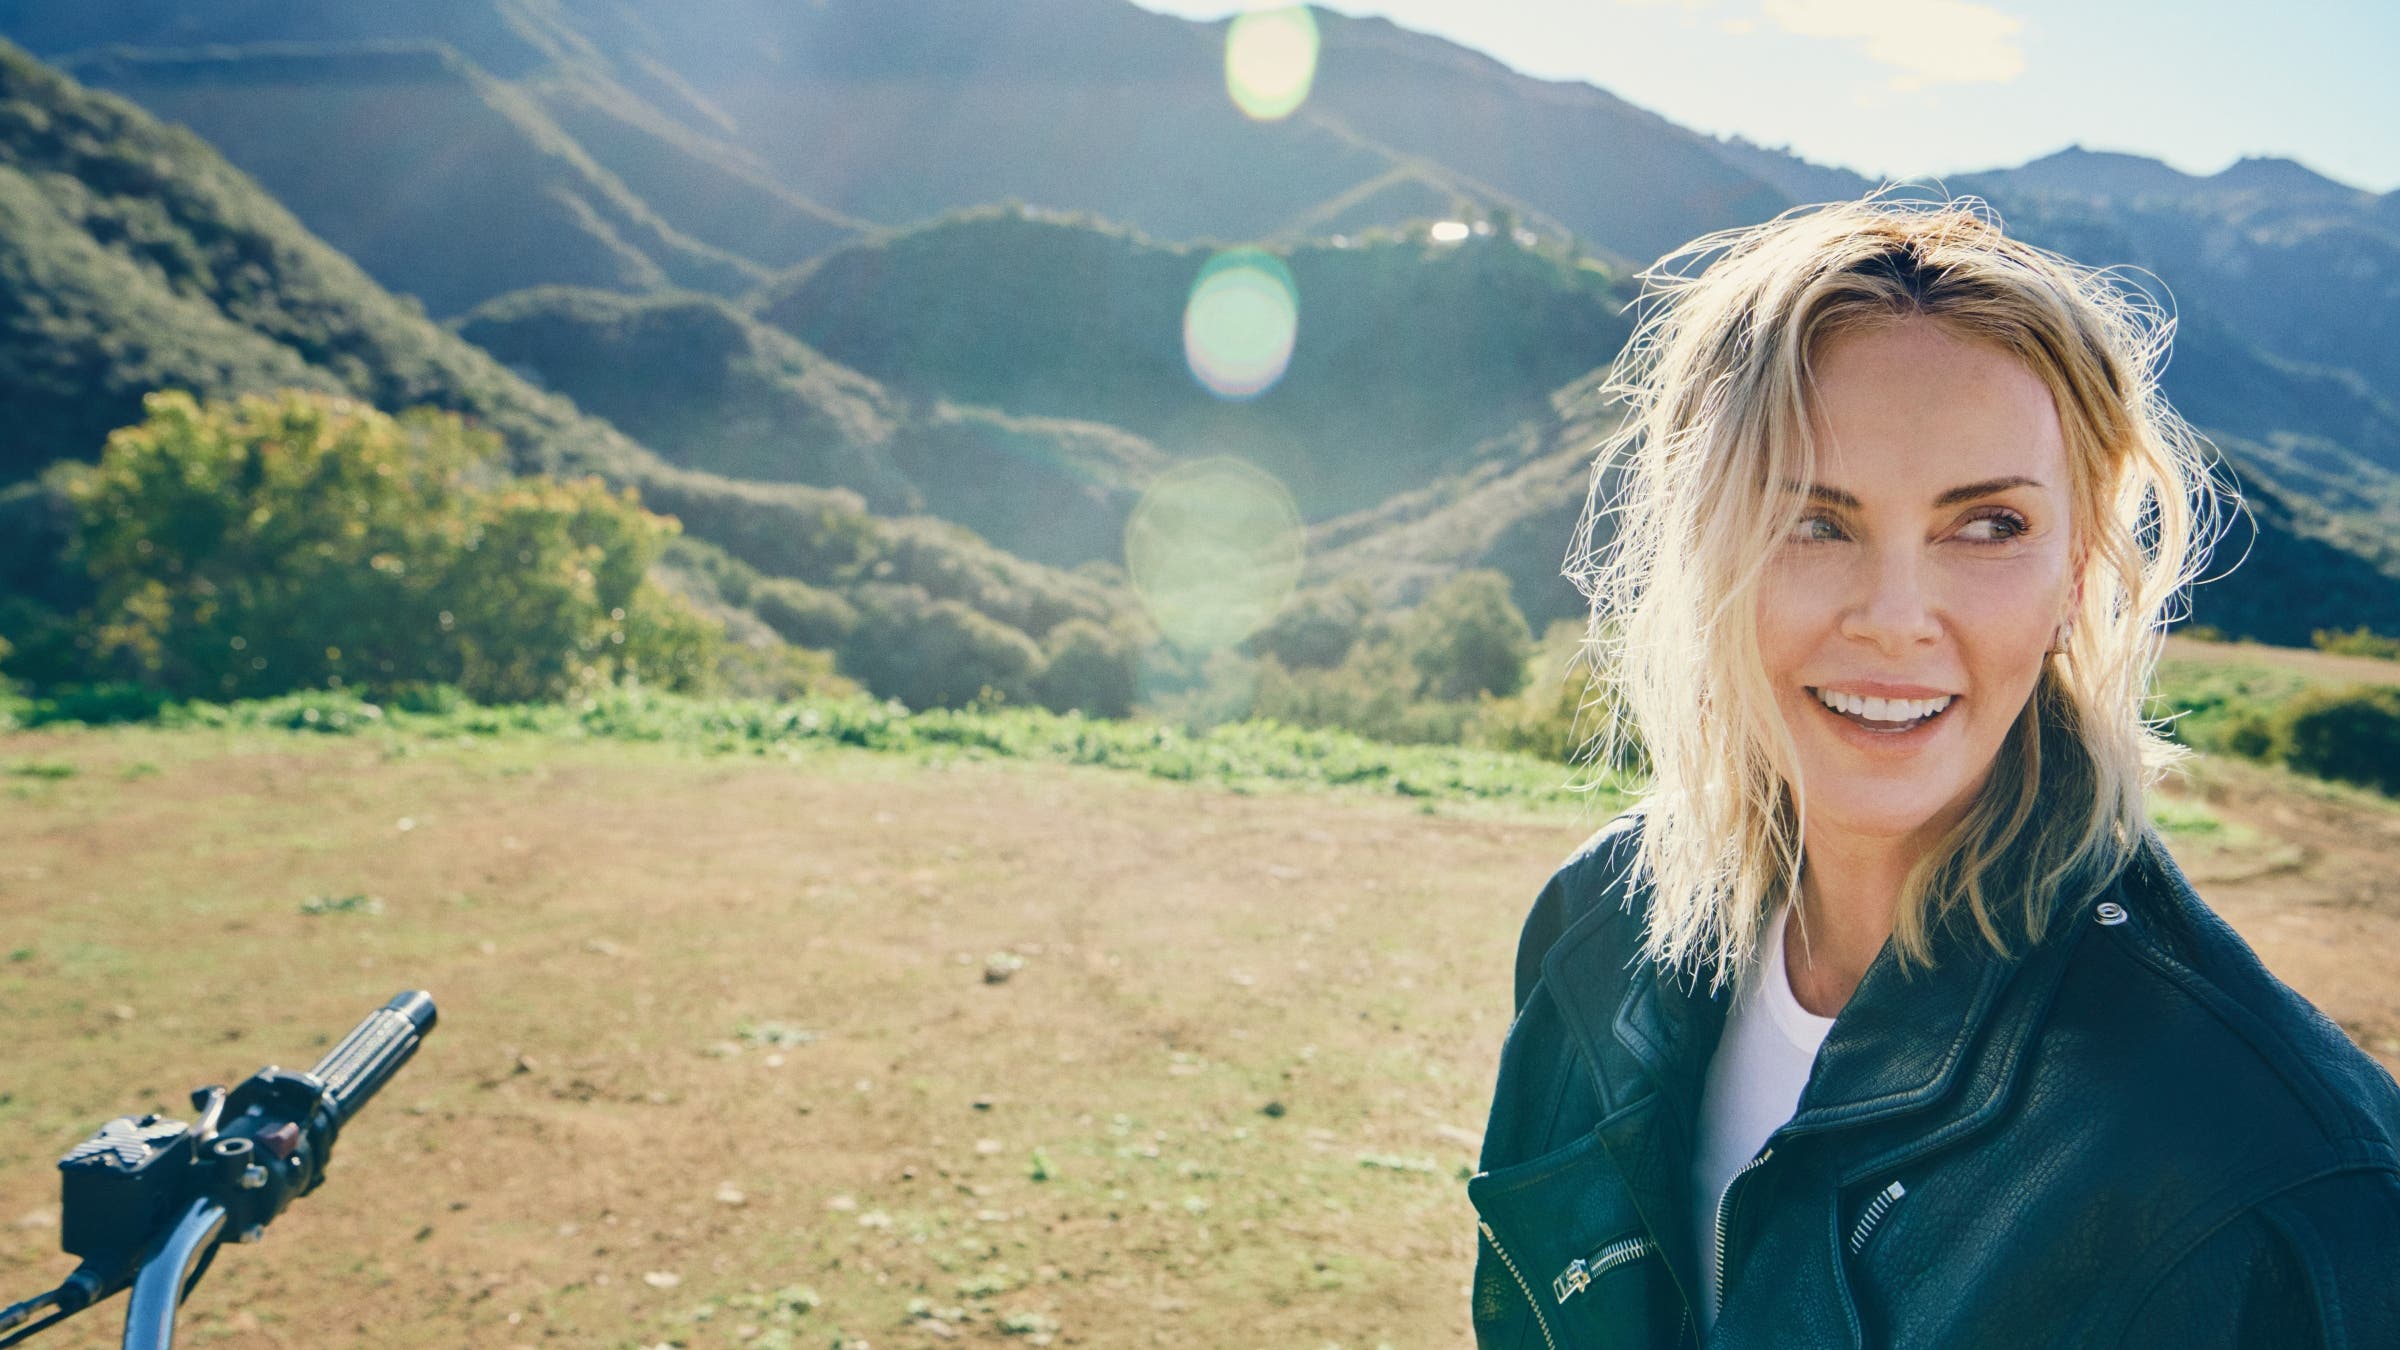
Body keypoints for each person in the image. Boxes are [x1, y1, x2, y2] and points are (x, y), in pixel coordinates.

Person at [1465, 192, 2400, 1349]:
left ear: (2077, 574)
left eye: (1990, 525)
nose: (1897, 620)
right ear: (1701, 551)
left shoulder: (2271, 1180)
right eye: (1812, 521)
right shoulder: (1592, 931)